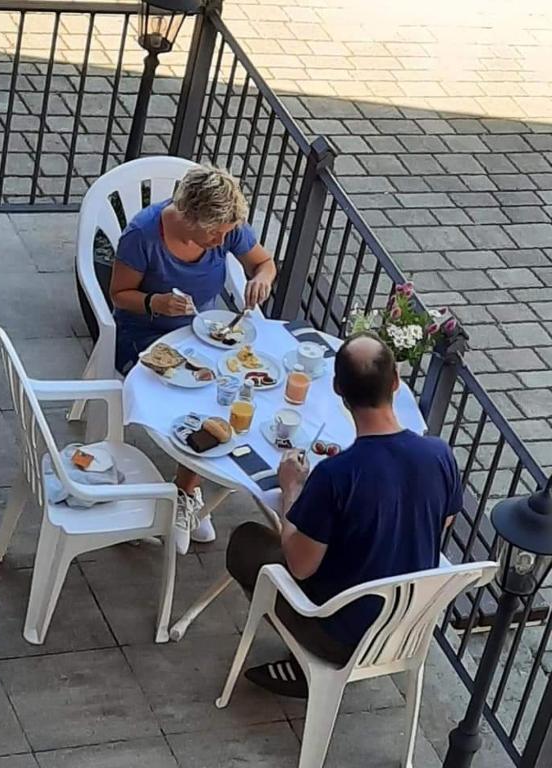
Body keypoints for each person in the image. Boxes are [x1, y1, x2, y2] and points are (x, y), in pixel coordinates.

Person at [226, 332, 462, 698]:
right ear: (396, 382)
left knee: (247, 541)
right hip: (408, 624)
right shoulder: (439, 454)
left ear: (338, 389)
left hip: (341, 635)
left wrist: (292, 489)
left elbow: (300, 565)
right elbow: (443, 521)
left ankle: (308, 662)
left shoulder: (336, 476)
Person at [109, 165, 276, 555]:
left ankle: (188, 487)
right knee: (200, 396)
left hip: (204, 330)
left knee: (240, 384)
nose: (221, 241)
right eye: (213, 233)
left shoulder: (225, 227)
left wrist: (261, 278)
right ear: (188, 216)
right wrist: (157, 302)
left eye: (225, 233)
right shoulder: (143, 236)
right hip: (148, 334)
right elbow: (119, 294)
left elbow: (263, 262)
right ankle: (186, 494)